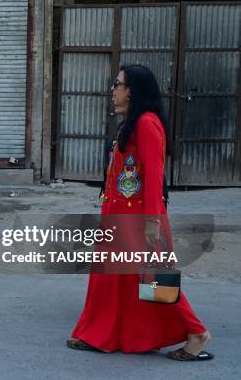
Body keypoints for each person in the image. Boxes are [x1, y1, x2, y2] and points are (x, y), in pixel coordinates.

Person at [67, 65, 213, 361]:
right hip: (119, 218)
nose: (113, 89)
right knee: (110, 281)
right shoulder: (130, 124)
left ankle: (197, 333)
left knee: (155, 279)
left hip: (139, 220)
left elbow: (153, 178)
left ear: (131, 90)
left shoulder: (147, 124)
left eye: (117, 84)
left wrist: (151, 223)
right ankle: (100, 334)